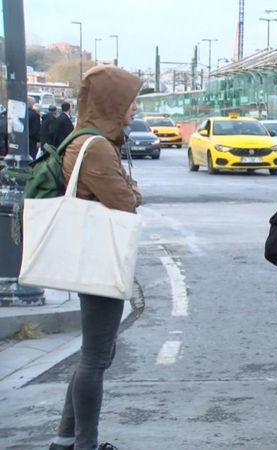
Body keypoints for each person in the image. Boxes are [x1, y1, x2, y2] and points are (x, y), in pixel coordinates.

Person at [49, 65, 143, 450]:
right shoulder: (96, 147)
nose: (134, 109)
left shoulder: (85, 140)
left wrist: (127, 187)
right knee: (96, 357)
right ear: (112, 102)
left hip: (93, 255)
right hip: (100, 259)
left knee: (94, 354)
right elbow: (125, 202)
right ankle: (84, 444)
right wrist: (132, 191)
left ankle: (65, 439)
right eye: (129, 101)